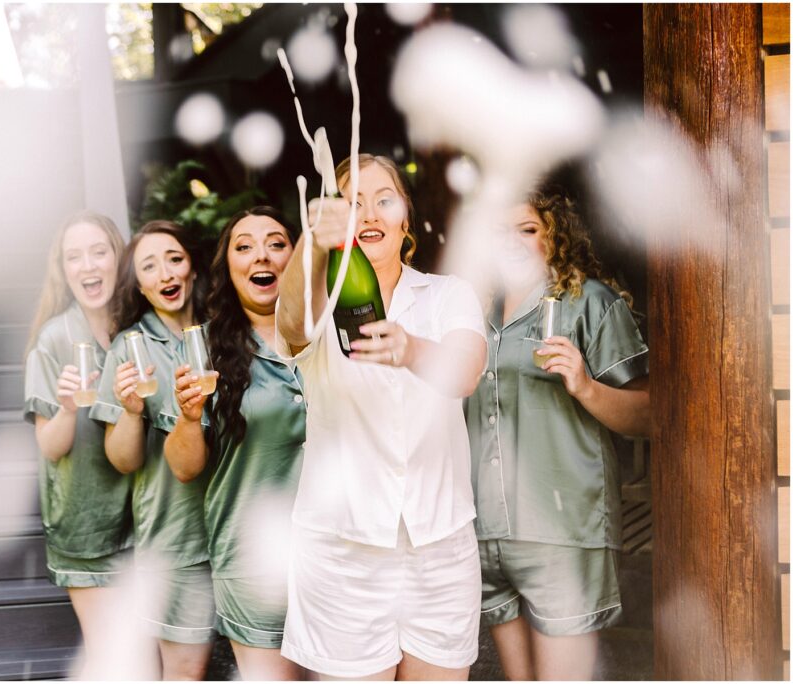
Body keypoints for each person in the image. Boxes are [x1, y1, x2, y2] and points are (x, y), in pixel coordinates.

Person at [275, 154, 488, 681]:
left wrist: (411, 348)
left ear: (405, 220)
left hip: (439, 548)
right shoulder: (320, 305)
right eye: (352, 202)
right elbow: (292, 321)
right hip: (342, 552)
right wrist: (312, 238)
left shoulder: (448, 295)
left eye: (383, 199)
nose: (368, 212)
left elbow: (464, 372)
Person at [465, 187, 650, 680]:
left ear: (555, 237)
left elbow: (649, 417)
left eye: (527, 230)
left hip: (561, 531)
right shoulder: (469, 310)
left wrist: (586, 387)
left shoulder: (589, 302)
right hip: (485, 533)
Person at [163, 207, 307, 681]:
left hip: (339, 552)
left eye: (276, 243)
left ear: (300, 256)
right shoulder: (204, 349)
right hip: (254, 562)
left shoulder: (333, 337)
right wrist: (187, 418)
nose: (261, 255)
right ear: (228, 268)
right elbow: (184, 468)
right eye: (243, 246)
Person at [90, 220, 216, 681]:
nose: (166, 274)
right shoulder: (131, 348)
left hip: (240, 535)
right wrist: (129, 411)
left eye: (175, 259)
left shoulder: (226, 334)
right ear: (139, 286)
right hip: (177, 544)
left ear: (193, 269)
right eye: (149, 266)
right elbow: (122, 460)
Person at [23, 210, 134, 679]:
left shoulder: (140, 329)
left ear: (118, 258)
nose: (88, 266)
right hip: (86, 525)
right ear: (63, 270)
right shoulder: (52, 340)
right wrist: (67, 407)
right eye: (75, 257)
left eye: (99, 252)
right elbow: (49, 447)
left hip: (145, 521)